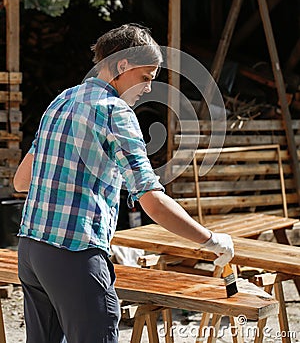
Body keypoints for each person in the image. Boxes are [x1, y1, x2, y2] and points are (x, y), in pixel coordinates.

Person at [14, 23, 234, 343]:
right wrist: (211, 240)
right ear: (122, 66)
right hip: (75, 254)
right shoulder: (115, 112)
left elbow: (22, 181)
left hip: (31, 251)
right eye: (146, 78)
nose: (147, 89)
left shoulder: (62, 101)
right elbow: (152, 200)